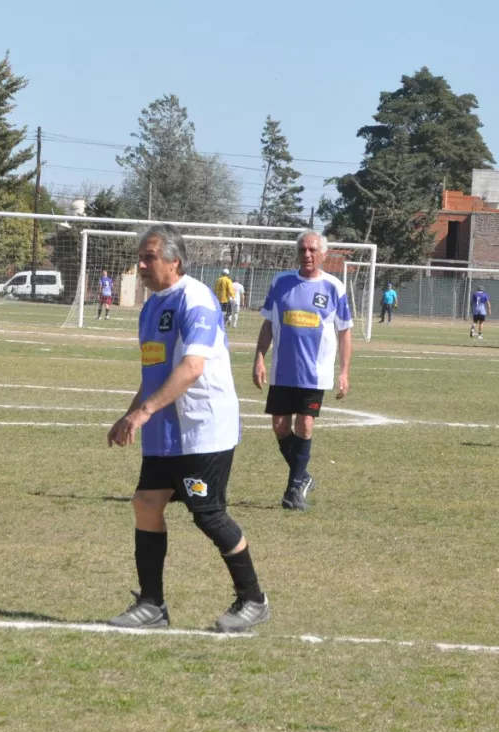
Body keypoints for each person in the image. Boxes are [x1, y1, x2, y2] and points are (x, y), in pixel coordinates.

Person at [106, 224, 269, 633]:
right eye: (140, 257)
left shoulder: (196, 299)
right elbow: (153, 372)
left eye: (150, 257)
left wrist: (142, 413)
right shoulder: (150, 307)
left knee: (208, 515)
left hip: (203, 426)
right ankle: (152, 605)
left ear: (174, 261)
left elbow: (192, 368)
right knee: (146, 502)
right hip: (164, 429)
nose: (141, 265)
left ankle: (253, 599)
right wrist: (130, 413)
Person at [253, 230, 352, 511]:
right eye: (303, 250)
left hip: (315, 372)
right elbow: (269, 324)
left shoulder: (334, 287)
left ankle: (293, 490)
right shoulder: (281, 282)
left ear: (323, 254)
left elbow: (344, 332)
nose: (307, 255)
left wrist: (344, 372)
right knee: (280, 426)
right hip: (283, 370)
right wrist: (259, 357)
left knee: (305, 424)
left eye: (312, 250)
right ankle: (303, 476)